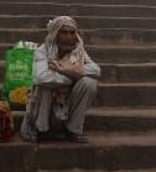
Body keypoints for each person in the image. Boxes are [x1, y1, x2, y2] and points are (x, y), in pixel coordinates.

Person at [20, 16, 100, 144]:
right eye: (64, 32)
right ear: (55, 34)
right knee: (44, 86)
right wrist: (72, 76)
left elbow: (96, 70)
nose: (69, 37)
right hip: (45, 105)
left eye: (72, 33)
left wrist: (65, 70)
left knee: (89, 83)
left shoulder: (78, 51)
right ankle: (38, 129)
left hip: (66, 102)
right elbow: (42, 78)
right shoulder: (42, 51)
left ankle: (73, 129)